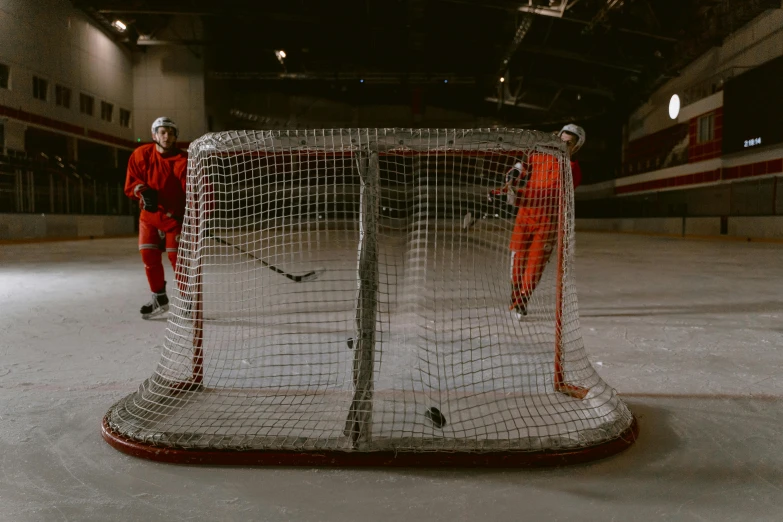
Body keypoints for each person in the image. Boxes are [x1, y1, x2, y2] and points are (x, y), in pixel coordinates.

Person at [508, 123, 585, 319]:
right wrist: (514, 175)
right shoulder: (539, 154)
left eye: (569, 144)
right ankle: (515, 295)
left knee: (535, 263)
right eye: (562, 140)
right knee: (518, 258)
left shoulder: (572, 169)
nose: (563, 145)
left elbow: (551, 193)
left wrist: (518, 194)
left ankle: (523, 299)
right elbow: (522, 165)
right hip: (525, 215)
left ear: (575, 147)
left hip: (548, 221)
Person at [124, 117, 188, 319]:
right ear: (154, 135)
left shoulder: (184, 161)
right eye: (162, 132)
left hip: (174, 220)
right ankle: (159, 298)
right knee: (148, 256)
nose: (166, 136)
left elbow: (198, 191)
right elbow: (131, 184)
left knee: (177, 259)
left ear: (175, 136)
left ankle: (188, 301)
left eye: (170, 132)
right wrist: (141, 191)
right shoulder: (140, 155)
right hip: (149, 217)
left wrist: (197, 214)